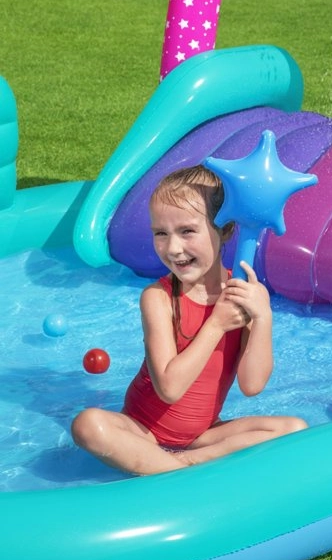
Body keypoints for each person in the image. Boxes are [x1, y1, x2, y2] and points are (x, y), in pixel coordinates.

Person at [71, 165, 307, 475]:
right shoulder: (159, 298)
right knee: (88, 425)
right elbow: (169, 389)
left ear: (225, 230)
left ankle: (182, 466)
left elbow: (252, 385)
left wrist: (263, 317)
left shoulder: (243, 295)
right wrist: (216, 324)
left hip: (201, 437)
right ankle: (182, 472)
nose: (173, 248)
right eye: (160, 233)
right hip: (142, 431)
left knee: (294, 429)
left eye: (187, 231)